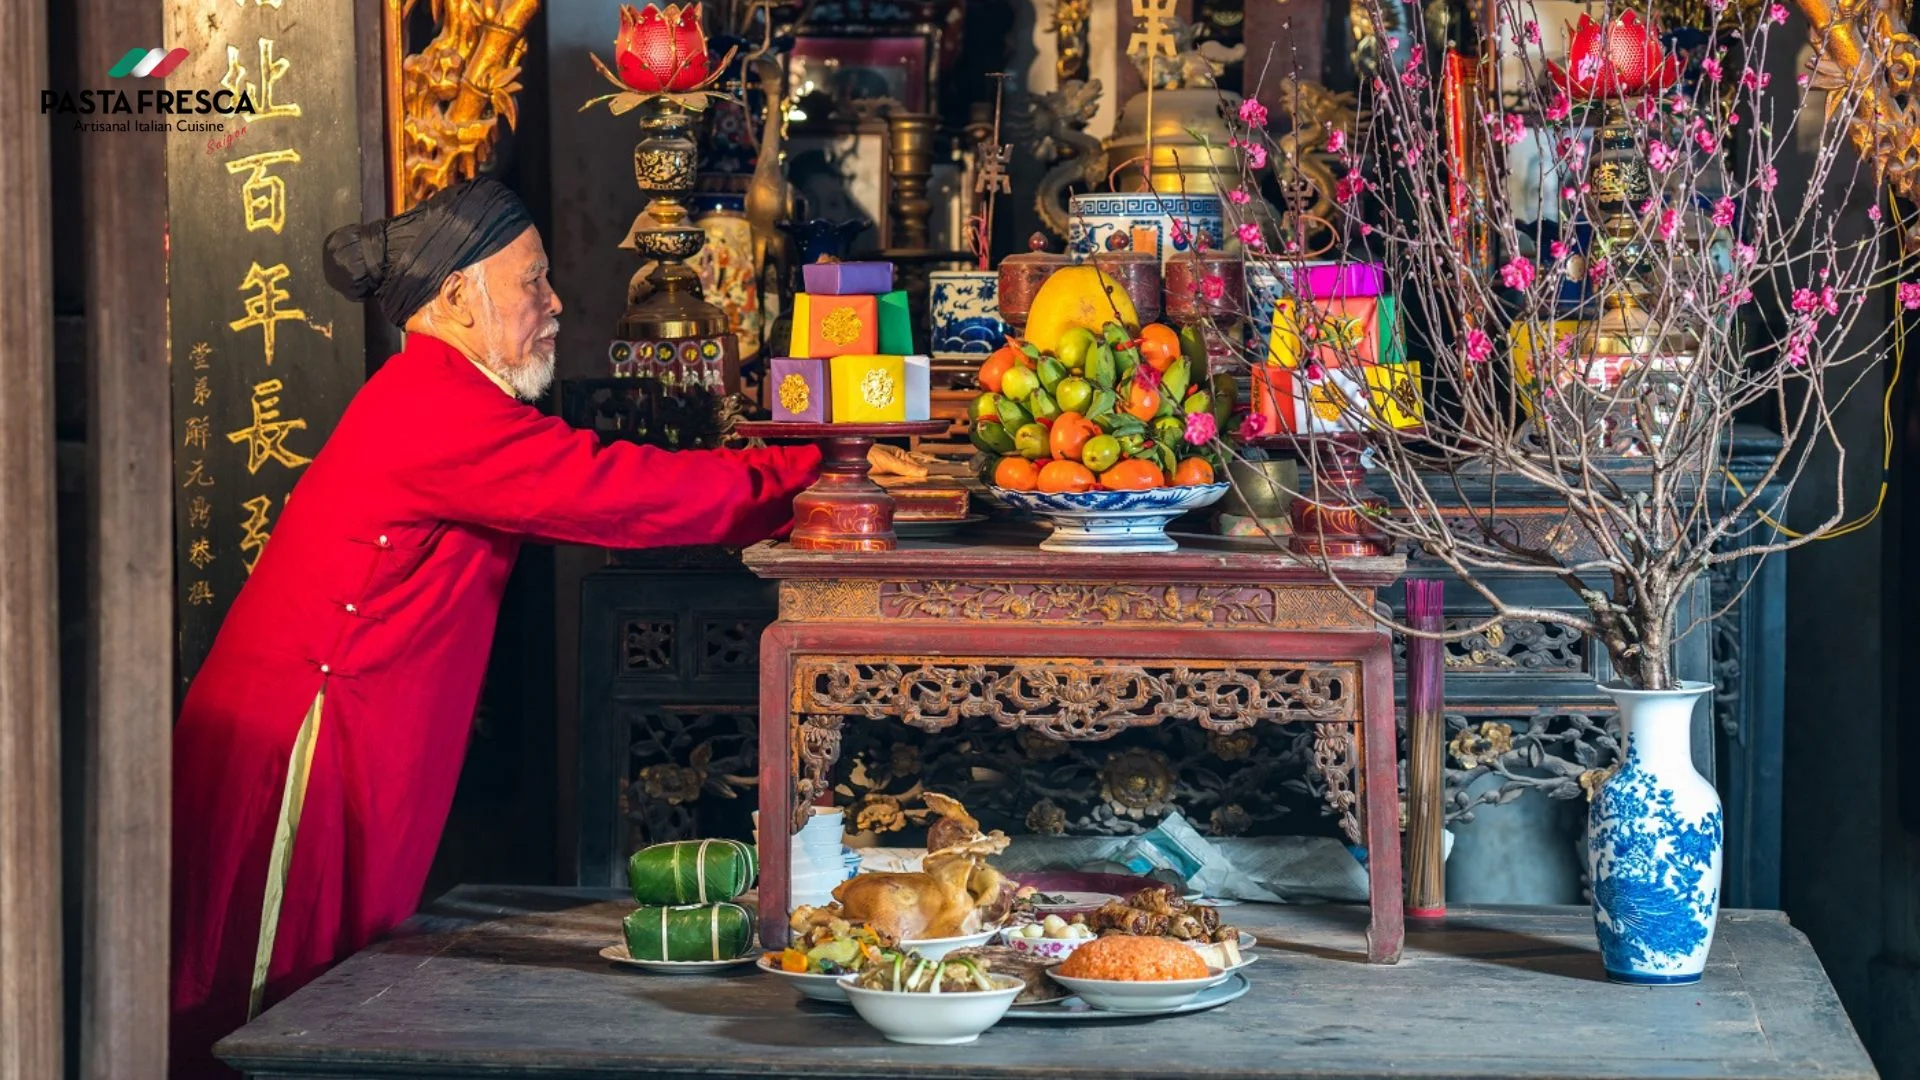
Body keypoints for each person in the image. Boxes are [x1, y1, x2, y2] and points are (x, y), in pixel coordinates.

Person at [169, 179, 820, 1077]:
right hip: (305, 732)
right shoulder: (435, 407)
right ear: (454, 299)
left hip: (346, 718)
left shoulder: (446, 395)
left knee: (322, 978)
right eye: (532, 282)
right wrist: (811, 474)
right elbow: (620, 493)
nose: (554, 304)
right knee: (274, 996)